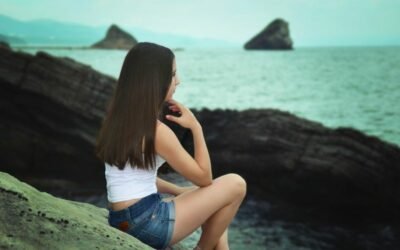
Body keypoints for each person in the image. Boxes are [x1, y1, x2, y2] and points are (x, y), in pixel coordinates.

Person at [95, 42, 246, 250]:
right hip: (146, 223)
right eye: (173, 74)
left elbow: (134, 177)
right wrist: (196, 126)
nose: (178, 81)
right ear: (156, 81)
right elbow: (204, 178)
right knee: (235, 184)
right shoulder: (156, 131)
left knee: (214, 201)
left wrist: (177, 190)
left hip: (122, 218)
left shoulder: (119, 120)